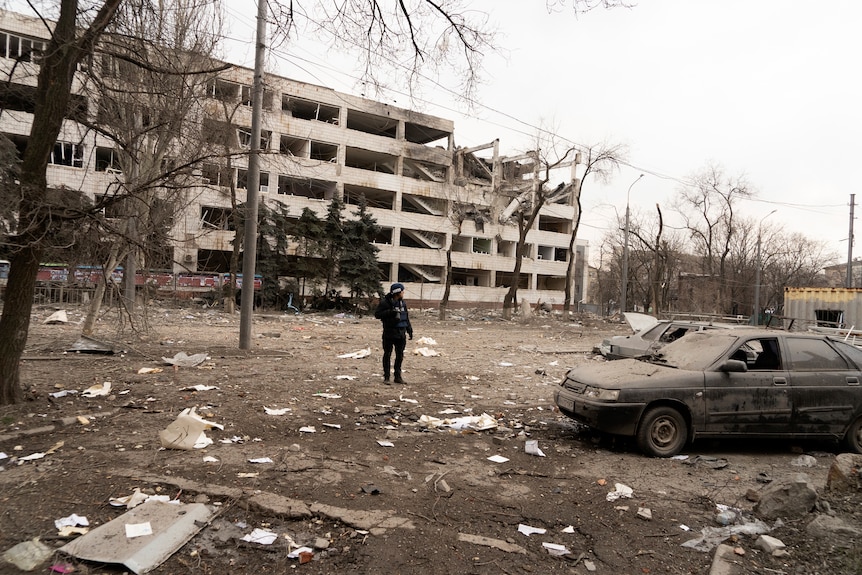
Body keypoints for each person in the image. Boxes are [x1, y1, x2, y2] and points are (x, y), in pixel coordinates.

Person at [374, 282, 413, 384]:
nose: (403, 293)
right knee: (387, 354)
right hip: (389, 333)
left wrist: (409, 329)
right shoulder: (385, 303)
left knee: (399, 355)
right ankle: (386, 377)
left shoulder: (402, 303)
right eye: (402, 291)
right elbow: (377, 314)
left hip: (401, 333)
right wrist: (390, 312)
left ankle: (397, 376)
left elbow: (406, 317)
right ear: (397, 292)